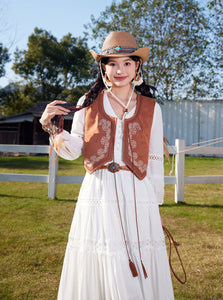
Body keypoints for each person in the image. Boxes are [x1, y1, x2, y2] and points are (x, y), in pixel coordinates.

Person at [40, 31, 174, 300]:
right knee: (105, 255)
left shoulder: (151, 108)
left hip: (138, 193)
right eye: (112, 63)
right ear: (103, 67)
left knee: (137, 257)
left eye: (127, 62)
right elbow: (75, 149)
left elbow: (154, 161)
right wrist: (52, 127)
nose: (119, 69)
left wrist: (155, 207)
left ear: (137, 66)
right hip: (99, 192)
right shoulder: (87, 103)